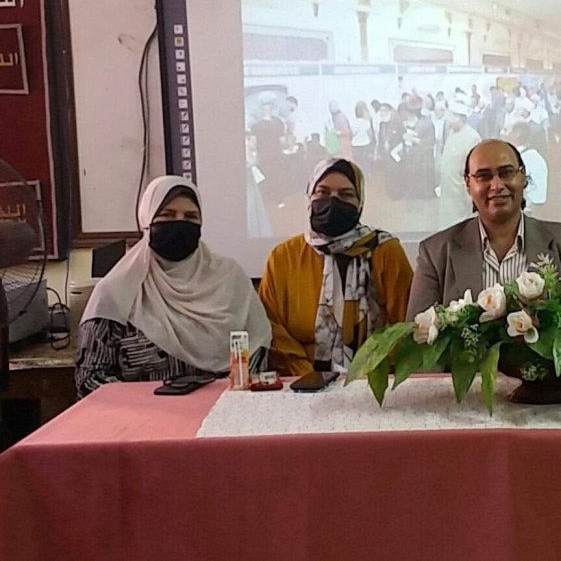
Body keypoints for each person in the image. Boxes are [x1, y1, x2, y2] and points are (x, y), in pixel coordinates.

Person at [75, 176, 271, 398]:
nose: (180, 224)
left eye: (190, 217)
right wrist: (157, 406)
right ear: (147, 221)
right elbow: (91, 378)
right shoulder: (116, 291)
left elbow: (257, 352)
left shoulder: (230, 278)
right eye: (167, 215)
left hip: (225, 410)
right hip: (145, 416)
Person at [408, 139, 561, 316]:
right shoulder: (436, 253)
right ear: (468, 184)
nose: (496, 185)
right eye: (483, 176)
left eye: (506, 173)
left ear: (523, 177)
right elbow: (416, 336)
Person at [259, 158, 413, 375]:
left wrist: (366, 376)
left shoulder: (385, 251)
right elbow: (271, 328)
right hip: (300, 382)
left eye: (346, 195)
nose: (333, 201)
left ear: (360, 203)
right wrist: (310, 377)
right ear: (309, 197)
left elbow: (405, 325)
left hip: (375, 380)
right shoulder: (283, 258)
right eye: (322, 192)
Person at [436, 98, 483, 228]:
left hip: (461, 192)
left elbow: (475, 168)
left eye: (451, 116)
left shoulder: (472, 137)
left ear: (459, 117)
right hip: (448, 190)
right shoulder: (451, 132)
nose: (448, 120)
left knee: (461, 225)